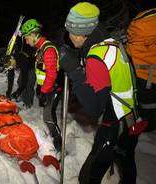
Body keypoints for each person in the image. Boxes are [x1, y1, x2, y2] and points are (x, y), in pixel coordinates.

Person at [60, 2, 146, 183]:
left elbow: (93, 108)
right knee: (127, 163)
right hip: (131, 118)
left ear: (82, 33)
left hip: (114, 126)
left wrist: (74, 70)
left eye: (72, 32)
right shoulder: (111, 43)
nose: (69, 37)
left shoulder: (96, 57)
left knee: (88, 176)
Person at [20, 19, 62, 151]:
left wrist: (43, 91)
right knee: (48, 115)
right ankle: (56, 137)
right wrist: (40, 87)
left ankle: (58, 141)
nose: (26, 41)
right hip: (47, 87)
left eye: (26, 38)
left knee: (48, 116)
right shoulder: (40, 49)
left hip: (53, 88)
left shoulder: (47, 49)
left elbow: (52, 74)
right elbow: (42, 71)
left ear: (33, 35)